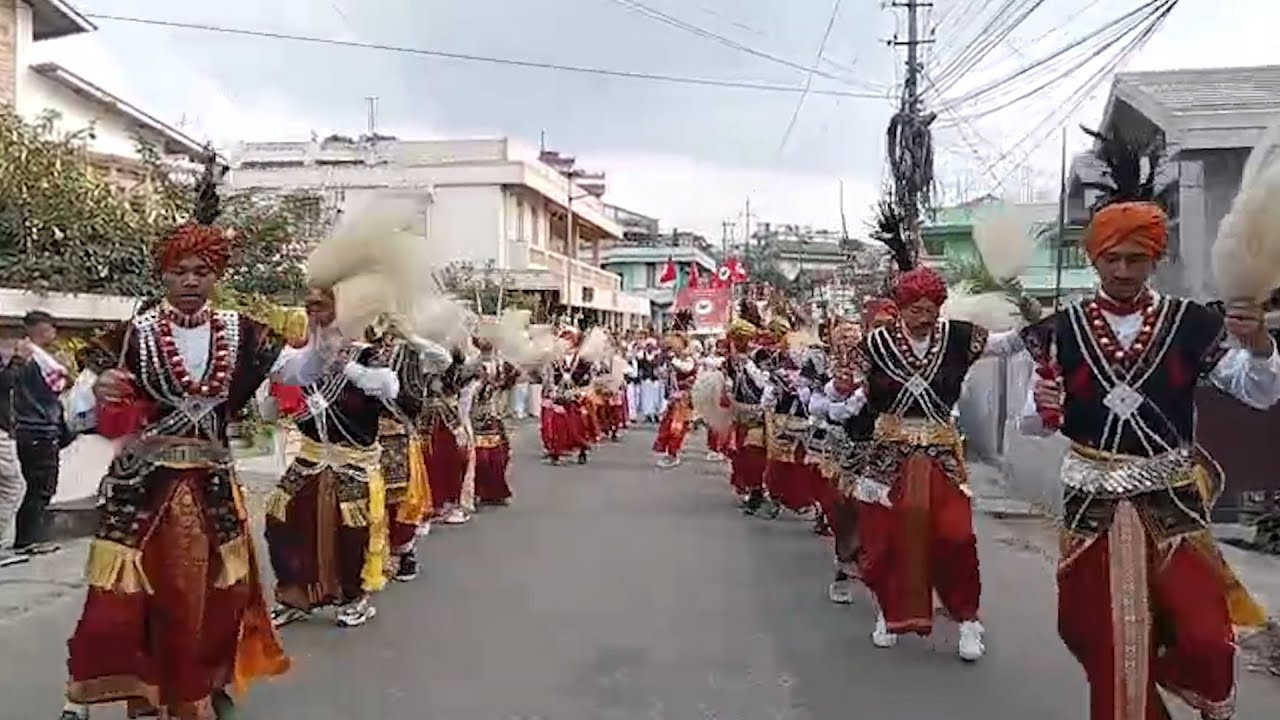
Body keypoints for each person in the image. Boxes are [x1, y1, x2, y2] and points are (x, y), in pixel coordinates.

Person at [59, 168, 341, 720]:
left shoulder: (244, 332)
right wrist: (99, 388)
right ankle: (123, 693)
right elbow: (77, 408)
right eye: (179, 271)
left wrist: (326, 330)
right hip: (145, 491)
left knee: (216, 596)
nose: (190, 280)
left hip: (212, 488)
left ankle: (202, 687)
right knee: (127, 599)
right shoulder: (134, 335)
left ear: (216, 276)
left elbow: (300, 371)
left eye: (202, 271)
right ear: (163, 276)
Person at [1021, 201, 1280, 720]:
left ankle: (1170, 674)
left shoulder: (1191, 324)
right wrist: (1043, 407)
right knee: (1106, 640)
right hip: (1092, 505)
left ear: (1154, 259)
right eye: (1112, 258)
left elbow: (1259, 392)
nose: (1123, 270)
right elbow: (1032, 423)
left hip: (1171, 504)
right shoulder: (1060, 331)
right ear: (1094, 259)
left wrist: (1259, 345)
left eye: (1136, 259)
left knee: (1208, 639)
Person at [835, 266, 1018, 662]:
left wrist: (1030, 317)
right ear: (901, 309)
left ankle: (967, 620)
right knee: (885, 538)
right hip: (889, 456)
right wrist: (839, 385)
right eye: (915, 310)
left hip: (940, 455)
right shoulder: (875, 344)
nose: (923, 318)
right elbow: (842, 388)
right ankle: (889, 613)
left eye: (931, 309)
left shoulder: (959, 337)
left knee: (956, 537)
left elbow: (1006, 346)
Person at [263, 290, 403, 629]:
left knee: (351, 533)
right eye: (309, 305)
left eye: (321, 305)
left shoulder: (368, 354)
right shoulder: (301, 355)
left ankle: (354, 598)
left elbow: (389, 388)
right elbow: (271, 407)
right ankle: (295, 594)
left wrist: (346, 367)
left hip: (353, 462)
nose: (314, 312)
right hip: (310, 456)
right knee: (280, 518)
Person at [1, 310, 69, 555]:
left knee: (33, 485)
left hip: (31, 429)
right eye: (52, 328)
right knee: (39, 486)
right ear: (42, 329)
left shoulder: (32, 357)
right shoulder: (32, 359)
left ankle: (26, 538)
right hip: (37, 428)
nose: (54, 334)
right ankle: (27, 540)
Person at [724, 307, 770, 512]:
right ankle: (751, 489)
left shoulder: (761, 355)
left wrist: (748, 364)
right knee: (741, 454)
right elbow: (731, 381)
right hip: (740, 412)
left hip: (760, 413)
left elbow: (764, 383)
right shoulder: (731, 360)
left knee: (755, 454)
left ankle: (759, 491)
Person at [472, 338, 517, 506]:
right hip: (475, 416)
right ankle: (479, 491)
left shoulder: (500, 364)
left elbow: (511, 379)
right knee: (481, 458)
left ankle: (494, 492)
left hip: (493, 415)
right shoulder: (473, 364)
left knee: (498, 457)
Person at [652, 311, 698, 469]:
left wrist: (672, 361)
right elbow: (662, 375)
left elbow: (687, 369)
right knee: (667, 426)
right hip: (674, 399)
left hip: (684, 399)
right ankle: (669, 453)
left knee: (676, 427)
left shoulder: (688, 359)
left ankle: (673, 454)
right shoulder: (672, 360)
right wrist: (662, 365)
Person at [540, 328, 592, 465]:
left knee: (578, 425)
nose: (566, 343)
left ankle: (582, 450)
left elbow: (587, 377)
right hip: (559, 395)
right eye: (564, 340)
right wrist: (551, 390)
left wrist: (582, 391)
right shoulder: (555, 359)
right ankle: (555, 453)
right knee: (558, 425)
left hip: (575, 395)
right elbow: (549, 376)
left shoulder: (582, 358)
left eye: (569, 340)